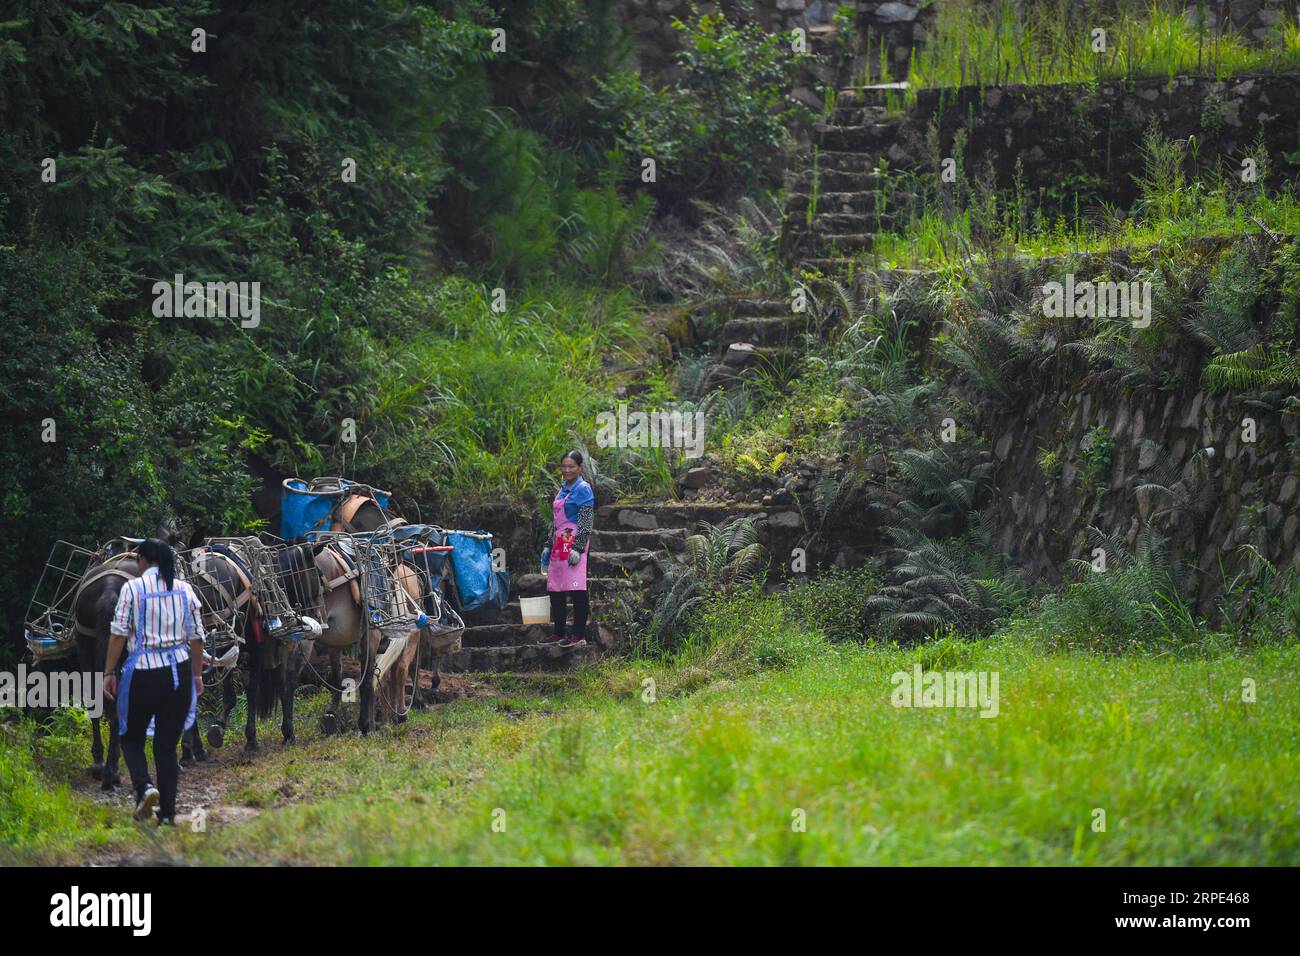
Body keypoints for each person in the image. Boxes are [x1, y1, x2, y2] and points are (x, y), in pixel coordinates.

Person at [103, 538, 205, 827]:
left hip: (144, 674)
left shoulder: (132, 589)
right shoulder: (185, 589)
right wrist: (197, 675)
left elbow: (118, 634)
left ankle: (144, 787)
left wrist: (109, 673)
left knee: (131, 738)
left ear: (143, 561)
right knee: (166, 746)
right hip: (179, 674)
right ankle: (169, 815)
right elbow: (197, 637)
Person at [538, 450, 594, 648]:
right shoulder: (562, 489)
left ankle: (578, 634)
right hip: (558, 542)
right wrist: (547, 544)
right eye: (564, 466)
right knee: (556, 588)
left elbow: (586, 521)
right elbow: (555, 522)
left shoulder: (583, 489)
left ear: (580, 468)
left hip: (574, 541)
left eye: (571, 466)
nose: (567, 470)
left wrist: (578, 548)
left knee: (577, 589)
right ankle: (559, 632)